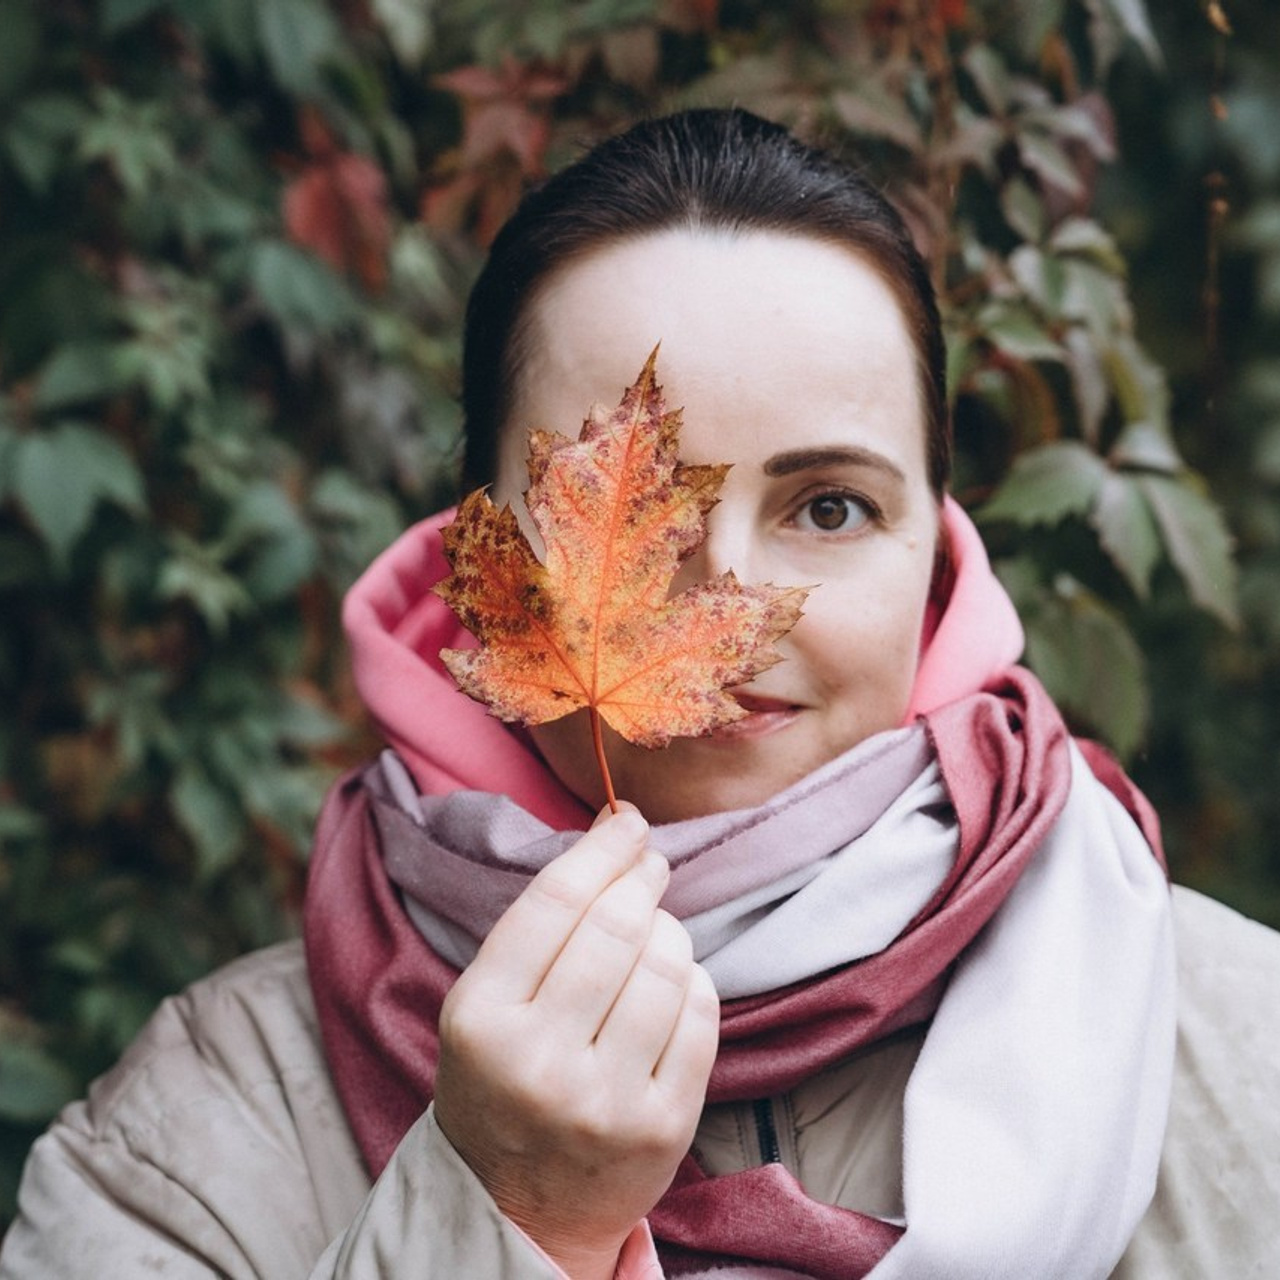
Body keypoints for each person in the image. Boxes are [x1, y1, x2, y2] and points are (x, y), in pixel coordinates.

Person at [2, 108, 1278, 1280]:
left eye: (828, 506)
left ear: (937, 559)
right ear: (477, 560)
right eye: (636, 514)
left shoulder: (1236, 1046)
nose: (719, 615)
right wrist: (497, 1215)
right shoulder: (196, 1139)